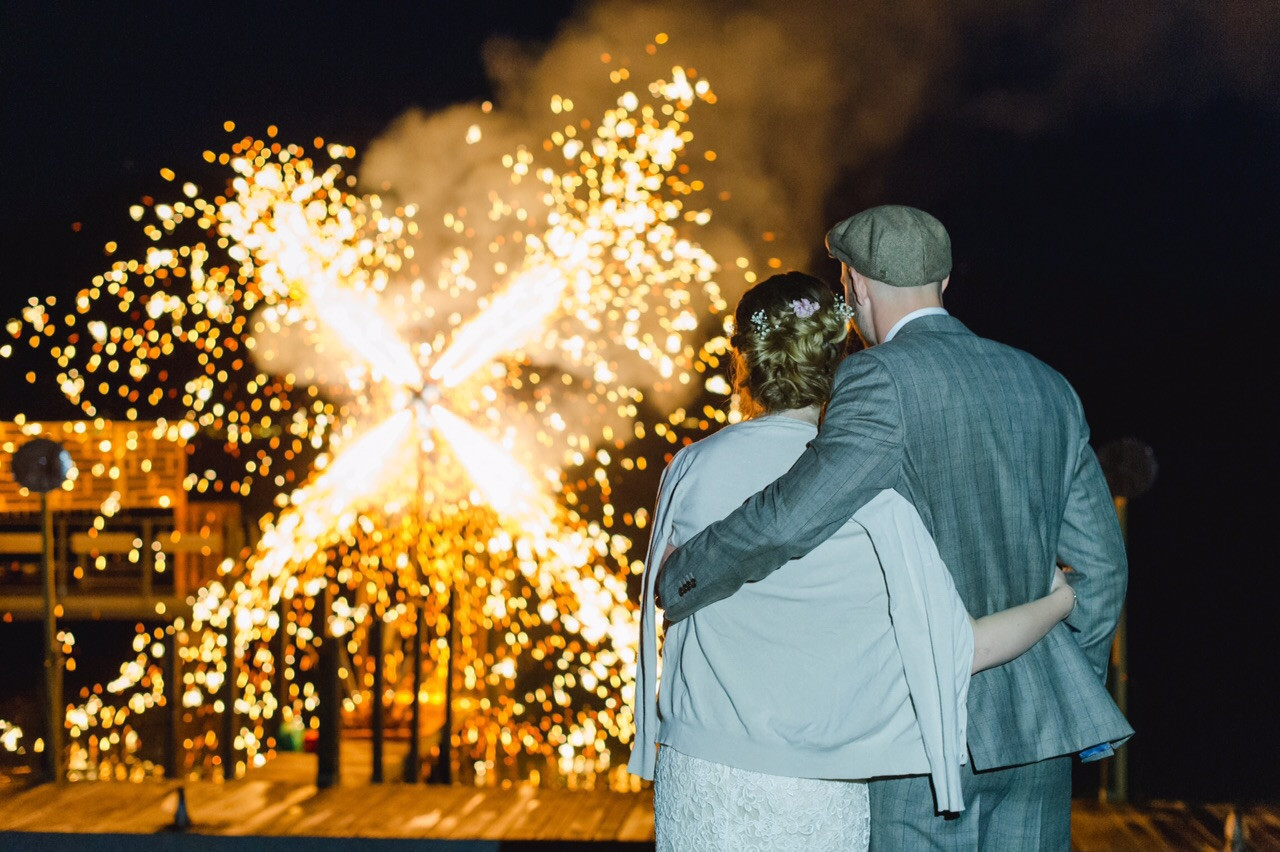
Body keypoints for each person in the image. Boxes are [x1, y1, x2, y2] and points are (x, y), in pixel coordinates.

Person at [656, 206, 1133, 850]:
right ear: (943, 283)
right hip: (1040, 734)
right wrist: (1066, 685)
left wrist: (684, 574)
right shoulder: (1046, 386)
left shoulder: (877, 378)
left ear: (854, 286)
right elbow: (1102, 568)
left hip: (920, 734)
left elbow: (792, 518)